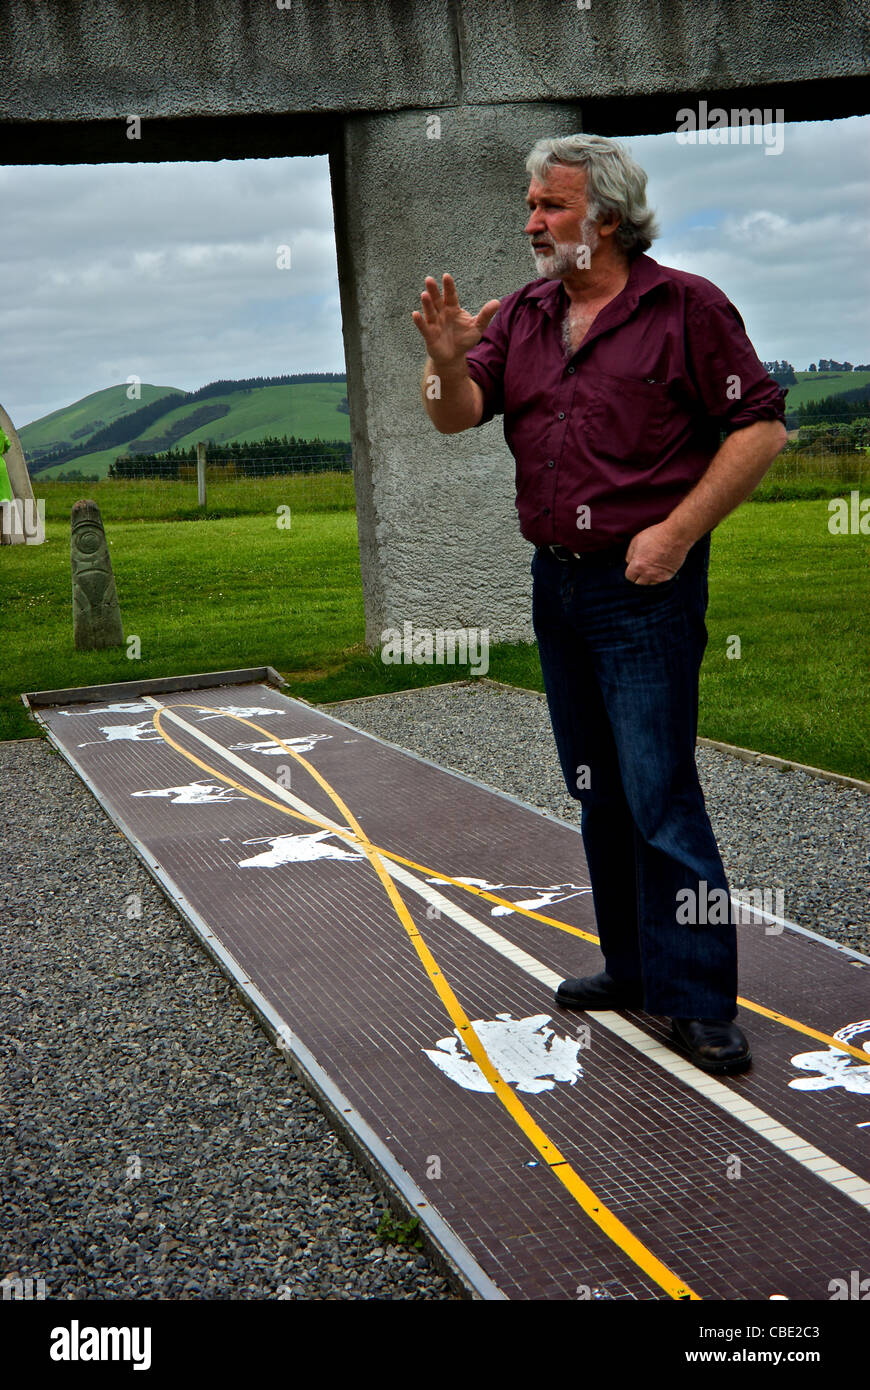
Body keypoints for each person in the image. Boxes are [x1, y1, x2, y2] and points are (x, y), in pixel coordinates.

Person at [412, 133, 787, 1076]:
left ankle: (697, 1000)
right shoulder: (529, 313)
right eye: (532, 204)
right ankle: (631, 969)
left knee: (660, 793)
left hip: (645, 584)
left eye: (550, 206)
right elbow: (457, 415)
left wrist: (675, 534)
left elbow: (760, 429)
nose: (531, 221)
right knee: (597, 790)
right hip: (560, 583)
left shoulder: (687, 308)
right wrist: (450, 363)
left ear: (606, 220)